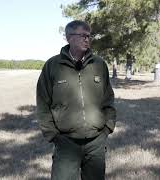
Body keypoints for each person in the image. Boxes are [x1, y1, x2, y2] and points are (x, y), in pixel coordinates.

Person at [36, 20, 116, 180]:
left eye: (89, 36)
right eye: (83, 36)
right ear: (69, 38)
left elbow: (108, 99)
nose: (87, 39)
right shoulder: (53, 65)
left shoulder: (99, 64)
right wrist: (52, 134)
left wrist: (107, 128)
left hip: (96, 142)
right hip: (66, 142)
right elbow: (42, 103)